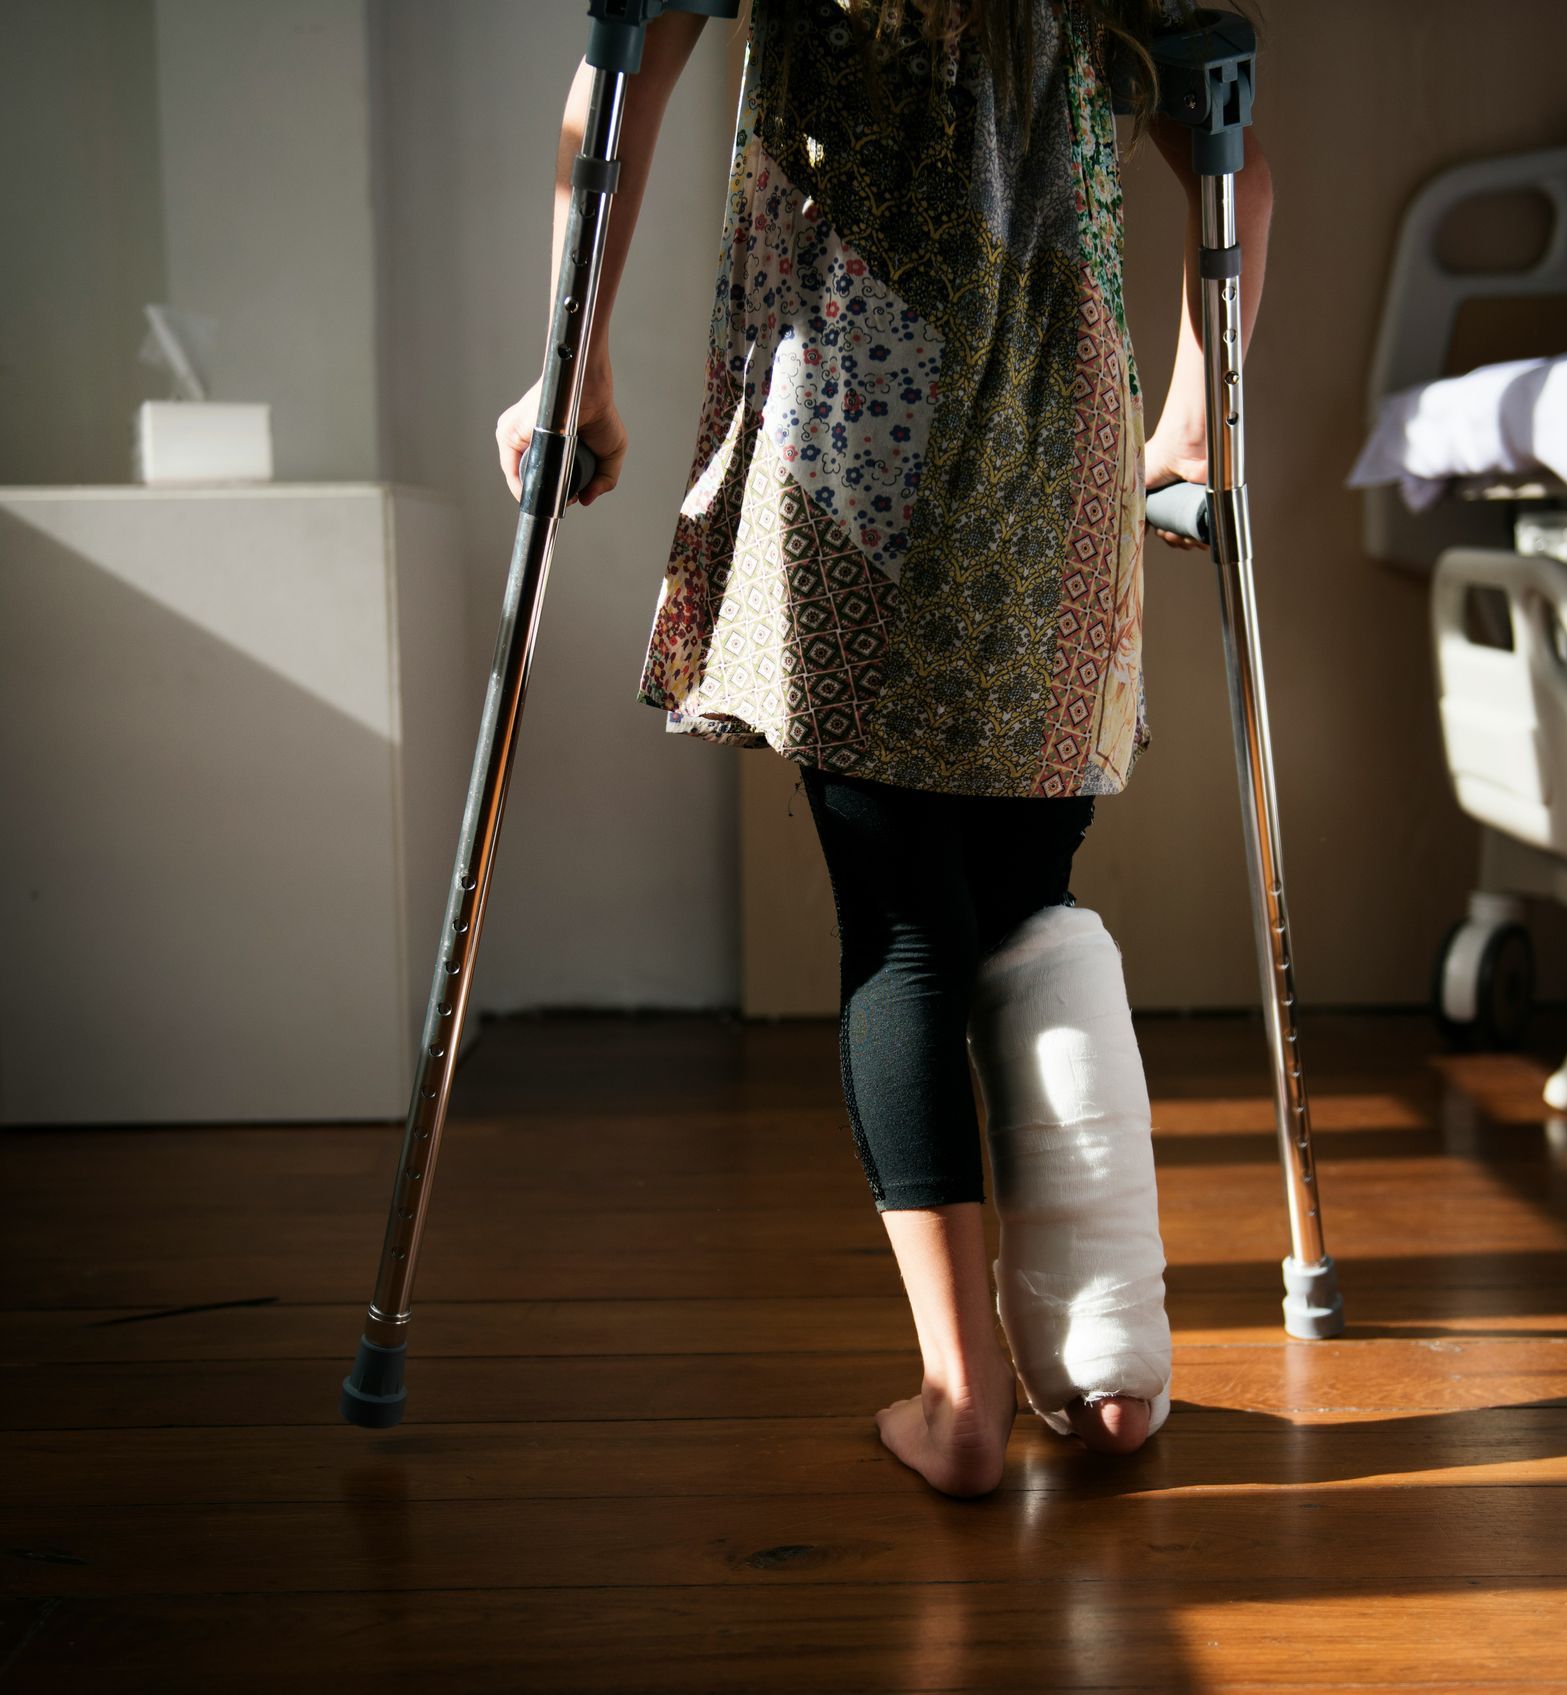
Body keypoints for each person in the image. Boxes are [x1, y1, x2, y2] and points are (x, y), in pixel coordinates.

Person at [498, 0, 1270, 1497]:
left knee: (903, 925)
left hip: (849, 405)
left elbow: (624, 67)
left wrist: (569, 364)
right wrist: (1200, 403)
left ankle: (958, 1398)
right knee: (1029, 905)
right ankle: (1110, 1373)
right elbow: (1231, 116)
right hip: (1064, 411)